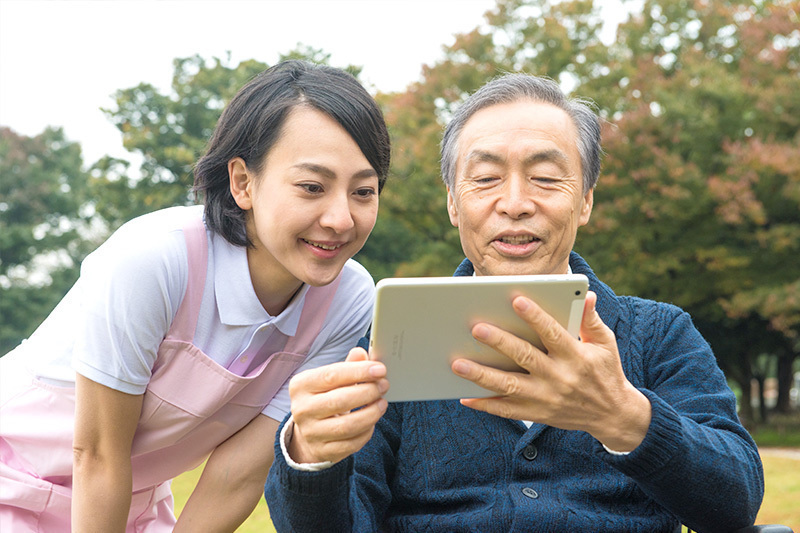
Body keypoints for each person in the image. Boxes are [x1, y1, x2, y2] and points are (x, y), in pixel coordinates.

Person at [264, 73, 764, 532]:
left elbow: (736, 500)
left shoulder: (660, 334)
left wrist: (622, 415)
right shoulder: (392, 338)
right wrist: (310, 455)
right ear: (453, 204)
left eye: (546, 177)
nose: (516, 202)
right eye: (485, 179)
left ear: (585, 199)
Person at [0, 59, 390, 532]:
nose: (341, 219)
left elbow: (237, 473)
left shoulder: (347, 299)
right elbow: (98, 453)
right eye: (312, 187)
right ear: (243, 182)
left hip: (129, 504)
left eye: (363, 191)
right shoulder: (155, 259)